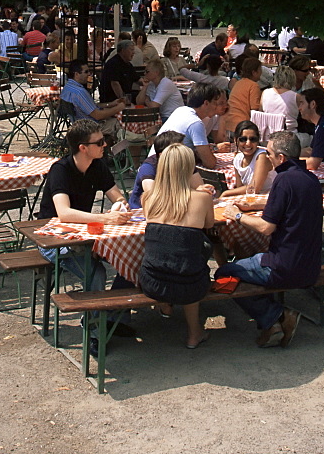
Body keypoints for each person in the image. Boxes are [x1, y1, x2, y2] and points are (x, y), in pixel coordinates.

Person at [217, 130, 323, 348]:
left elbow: (266, 228)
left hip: (282, 266)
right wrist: (253, 206)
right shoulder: (311, 179)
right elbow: (289, 205)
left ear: (281, 158)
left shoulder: (283, 180)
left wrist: (237, 216)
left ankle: (277, 316)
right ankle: (274, 321)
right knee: (246, 261)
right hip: (311, 265)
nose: (268, 158)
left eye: (270, 154)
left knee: (223, 274)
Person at [37, 118, 134, 353]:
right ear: (83, 147)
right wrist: (105, 218)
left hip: (86, 237)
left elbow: (117, 197)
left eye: (105, 141)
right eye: (100, 142)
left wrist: (120, 206)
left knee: (131, 259)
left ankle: (112, 318)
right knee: (96, 272)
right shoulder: (61, 169)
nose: (105, 145)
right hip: (53, 240)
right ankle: (92, 329)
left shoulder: (98, 165)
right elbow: (63, 212)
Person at [139, 142, 215, 347]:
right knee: (191, 260)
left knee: (169, 255)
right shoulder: (202, 198)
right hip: (190, 283)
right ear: (189, 168)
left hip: (151, 282)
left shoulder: (148, 198)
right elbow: (209, 224)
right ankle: (194, 333)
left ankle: (166, 306)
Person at [157, 83, 227, 168]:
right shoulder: (195, 123)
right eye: (215, 103)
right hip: (165, 171)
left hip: (157, 163)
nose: (216, 107)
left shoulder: (180, 110)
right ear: (206, 103)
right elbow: (210, 163)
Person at [129, 129, 192, 210]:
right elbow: (153, 199)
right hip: (142, 212)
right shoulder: (148, 168)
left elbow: (198, 185)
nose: (182, 151)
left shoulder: (183, 160)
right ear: (162, 154)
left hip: (174, 207)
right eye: (177, 150)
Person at [60, 60, 125, 138]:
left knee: (113, 120)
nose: (89, 74)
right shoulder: (80, 92)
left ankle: (106, 147)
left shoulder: (68, 87)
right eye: (86, 72)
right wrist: (118, 108)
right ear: (76, 74)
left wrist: (111, 104)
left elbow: (91, 106)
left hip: (79, 124)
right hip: (90, 128)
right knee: (121, 123)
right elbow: (98, 115)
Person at [219, 120, 275, 197]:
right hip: (250, 198)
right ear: (236, 140)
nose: (248, 143)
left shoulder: (262, 156)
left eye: (253, 139)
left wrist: (226, 193)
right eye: (243, 139)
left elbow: (255, 188)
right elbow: (240, 188)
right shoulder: (237, 159)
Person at [224, 57, 263, 133]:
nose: (261, 72)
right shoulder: (254, 86)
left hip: (228, 123)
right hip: (242, 126)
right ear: (254, 72)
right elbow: (254, 108)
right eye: (260, 70)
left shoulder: (238, 83)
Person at [261, 65, 299, 132]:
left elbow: (260, 111)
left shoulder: (265, 93)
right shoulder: (295, 96)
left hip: (268, 132)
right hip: (289, 133)